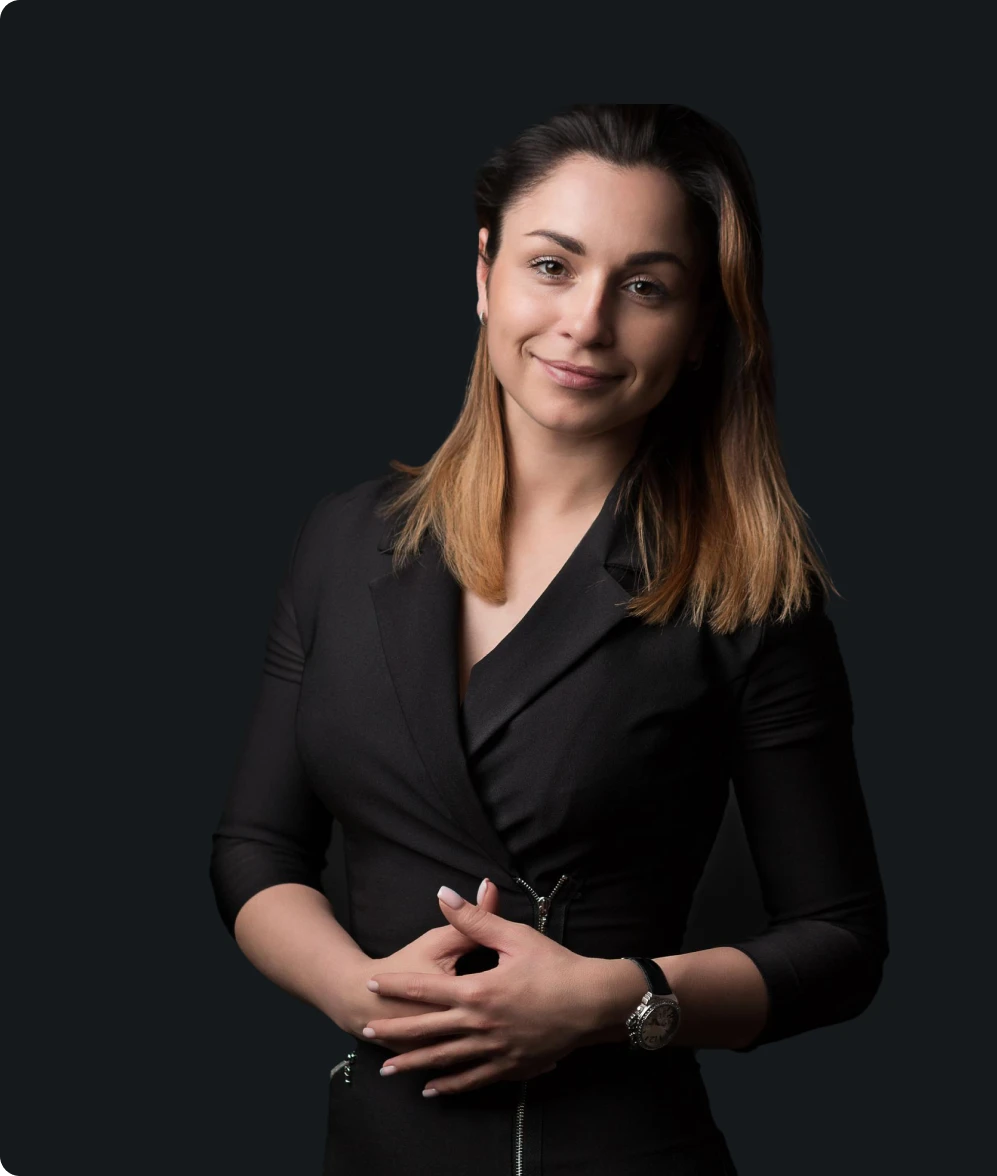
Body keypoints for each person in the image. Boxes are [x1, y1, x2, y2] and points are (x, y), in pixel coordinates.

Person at [209, 102, 889, 1176]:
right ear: (485, 271)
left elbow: (841, 944)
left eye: (646, 287)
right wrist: (355, 987)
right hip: (374, 1151)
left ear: (700, 326)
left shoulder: (751, 595)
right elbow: (255, 849)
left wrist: (611, 1000)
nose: (586, 323)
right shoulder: (343, 538)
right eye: (553, 266)